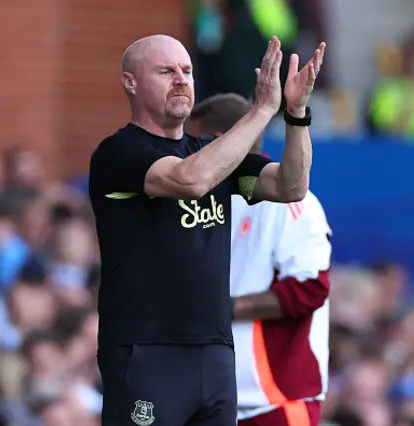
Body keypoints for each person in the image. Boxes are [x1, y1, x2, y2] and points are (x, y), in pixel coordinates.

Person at [88, 34, 326, 426]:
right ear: (130, 82)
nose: (181, 79)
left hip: (215, 352)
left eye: (187, 70)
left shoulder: (210, 151)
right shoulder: (119, 152)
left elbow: (291, 186)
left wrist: (296, 114)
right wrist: (262, 109)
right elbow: (189, 180)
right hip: (147, 352)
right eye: (166, 71)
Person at [187, 93, 332, 426]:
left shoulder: (295, 203)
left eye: (192, 143)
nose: (183, 154)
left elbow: (309, 289)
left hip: (274, 404)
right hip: (213, 404)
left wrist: (224, 309)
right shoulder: (200, 200)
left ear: (223, 142)